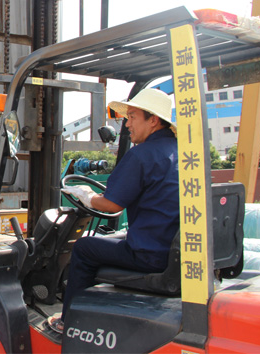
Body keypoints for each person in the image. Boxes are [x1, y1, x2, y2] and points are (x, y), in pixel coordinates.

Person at [48, 88, 179, 334]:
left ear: (153, 120)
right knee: (111, 238)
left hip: (151, 253)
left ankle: (70, 321)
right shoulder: (179, 152)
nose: (127, 124)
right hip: (170, 245)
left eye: (132, 117)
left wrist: (88, 195)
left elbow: (112, 205)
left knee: (84, 248)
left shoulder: (142, 155)